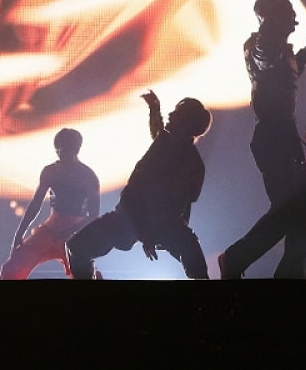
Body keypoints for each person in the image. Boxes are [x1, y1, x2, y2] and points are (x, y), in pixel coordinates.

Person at [218, 0, 306, 279]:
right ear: (271, 16)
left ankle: (287, 278)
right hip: (274, 137)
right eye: (288, 12)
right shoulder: (264, 44)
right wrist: (273, 25)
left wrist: (304, 54)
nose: (294, 18)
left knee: (302, 219)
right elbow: (266, 59)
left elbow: (282, 73)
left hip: (283, 135)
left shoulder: (277, 48)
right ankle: (236, 257)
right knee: (289, 210)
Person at [65, 92, 212, 280]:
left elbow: (173, 207)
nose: (170, 115)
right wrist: (154, 108)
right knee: (77, 248)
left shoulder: (192, 165)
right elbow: (158, 132)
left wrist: (147, 232)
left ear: (186, 124)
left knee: (194, 260)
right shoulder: (166, 143)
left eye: (177, 114)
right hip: (130, 217)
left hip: (153, 222)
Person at [0, 128, 99, 279]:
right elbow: (35, 204)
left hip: (77, 232)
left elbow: (93, 216)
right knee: (12, 269)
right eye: (59, 147)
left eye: (66, 147)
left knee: (85, 275)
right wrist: (19, 234)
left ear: (77, 148)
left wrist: (68, 232)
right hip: (52, 227)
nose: (62, 151)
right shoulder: (50, 171)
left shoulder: (88, 176)